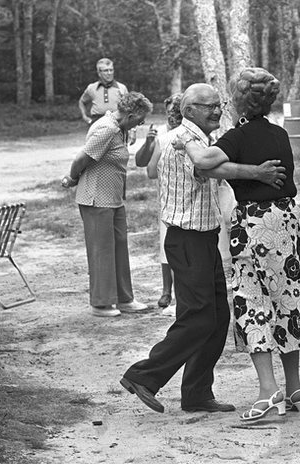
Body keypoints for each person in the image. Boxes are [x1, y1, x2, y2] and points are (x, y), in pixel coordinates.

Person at [119, 83, 286, 414]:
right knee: (199, 317)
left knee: (218, 317)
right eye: (209, 106)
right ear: (189, 110)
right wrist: (257, 173)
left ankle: (196, 393)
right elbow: (209, 168)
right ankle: (143, 376)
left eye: (219, 104)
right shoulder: (185, 140)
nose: (217, 110)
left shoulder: (199, 138)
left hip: (203, 237)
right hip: (187, 239)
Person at [175, 67, 300, 421]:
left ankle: (269, 391)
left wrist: (186, 142)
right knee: (288, 299)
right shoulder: (280, 134)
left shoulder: (236, 137)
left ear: (238, 100)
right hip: (288, 220)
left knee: (253, 303)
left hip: (255, 225)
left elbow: (204, 163)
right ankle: (295, 385)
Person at [63, 92, 152, 317]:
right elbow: (80, 159)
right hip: (95, 198)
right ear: (130, 115)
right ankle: (101, 303)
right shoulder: (106, 129)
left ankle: (124, 299)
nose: (140, 124)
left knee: (119, 249)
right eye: (139, 120)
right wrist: (71, 178)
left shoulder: (120, 129)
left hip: (113, 198)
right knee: (101, 251)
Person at [135, 93, 183, 312]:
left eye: (176, 112)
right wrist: (148, 142)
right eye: (169, 112)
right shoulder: (161, 132)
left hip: (183, 195)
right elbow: (142, 163)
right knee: (165, 243)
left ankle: (179, 294)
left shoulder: (188, 132)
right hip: (165, 195)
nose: (172, 116)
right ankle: (166, 290)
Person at [78, 58, 135, 145]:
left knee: (119, 151)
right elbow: (82, 101)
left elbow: (130, 110)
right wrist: (85, 117)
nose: (109, 73)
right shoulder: (91, 88)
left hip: (117, 123)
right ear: (99, 73)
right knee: (95, 150)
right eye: (105, 71)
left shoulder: (121, 88)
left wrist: (132, 130)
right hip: (97, 123)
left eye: (111, 70)